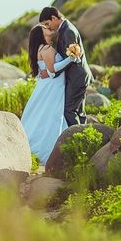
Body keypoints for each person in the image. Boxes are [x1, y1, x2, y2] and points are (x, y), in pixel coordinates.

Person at [21, 25, 78, 164]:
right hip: (52, 87)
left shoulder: (43, 48)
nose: (49, 28)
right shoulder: (45, 48)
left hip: (51, 86)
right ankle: (46, 151)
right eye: (45, 28)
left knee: (47, 116)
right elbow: (52, 71)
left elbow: (47, 70)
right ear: (41, 34)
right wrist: (71, 58)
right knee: (50, 117)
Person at [38, 6, 93, 126]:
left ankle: (76, 138)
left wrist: (52, 72)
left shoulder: (68, 31)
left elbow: (73, 58)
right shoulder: (65, 29)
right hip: (78, 75)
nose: (47, 27)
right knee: (79, 111)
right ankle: (83, 135)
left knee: (69, 110)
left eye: (47, 23)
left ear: (54, 18)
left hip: (76, 76)